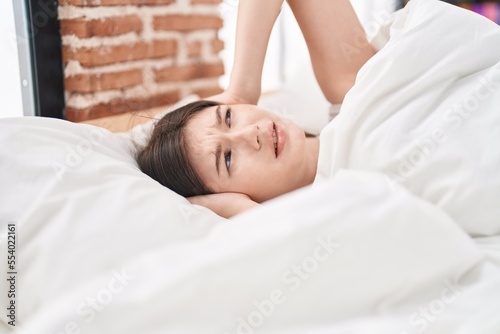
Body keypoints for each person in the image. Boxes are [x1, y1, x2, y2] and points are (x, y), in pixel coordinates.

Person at [137, 0, 376, 218]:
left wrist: (241, 90)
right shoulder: (335, 222)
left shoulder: (357, 93)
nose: (250, 134)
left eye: (228, 117)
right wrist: (249, 214)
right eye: (228, 160)